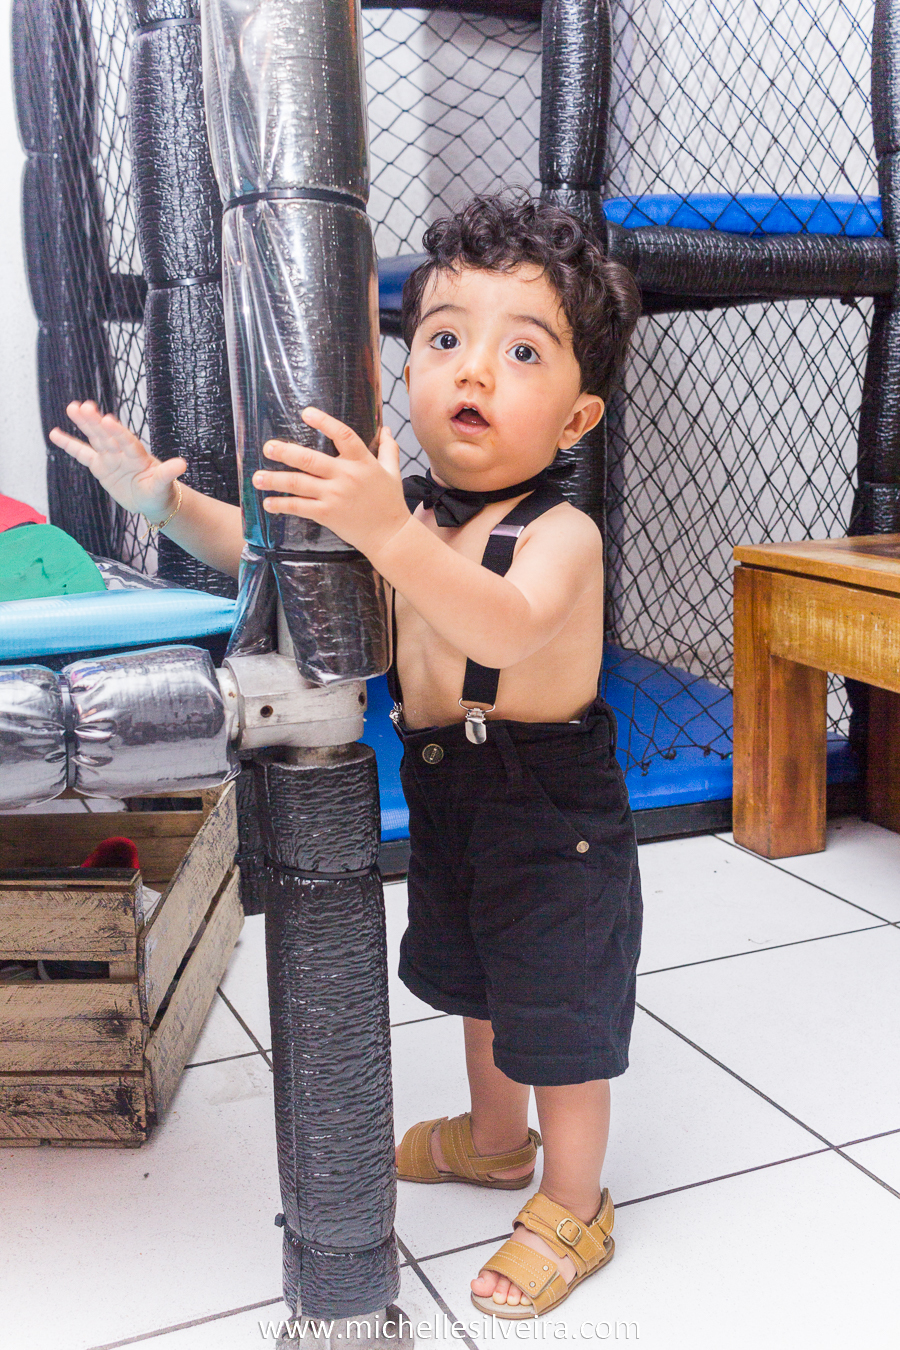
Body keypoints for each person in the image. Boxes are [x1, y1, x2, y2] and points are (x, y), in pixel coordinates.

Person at [51, 193, 643, 1321]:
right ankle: (494, 1142)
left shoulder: (561, 534)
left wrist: (384, 529)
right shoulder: (405, 511)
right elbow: (263, 545)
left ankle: (576, 1202)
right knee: (474, 982)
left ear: (576, 419)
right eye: (445, 338)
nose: (474, 370)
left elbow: (506, 624)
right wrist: (162, 502)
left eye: (523, 351)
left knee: (556, 1007)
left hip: (552, 809)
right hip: (450, 790)